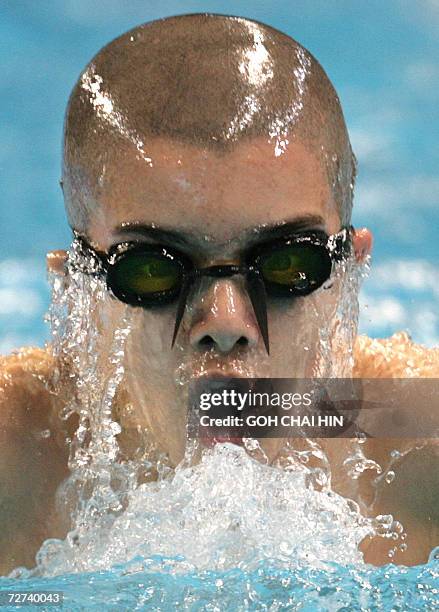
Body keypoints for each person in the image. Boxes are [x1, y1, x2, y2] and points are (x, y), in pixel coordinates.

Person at [1, 13, 438, 575]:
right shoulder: (16, 462)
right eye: (154, 271)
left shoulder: (400, 432)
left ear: (349, 271)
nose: (227, 322)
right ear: (77, 290)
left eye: (286, 263)